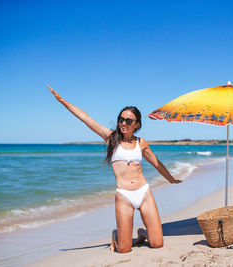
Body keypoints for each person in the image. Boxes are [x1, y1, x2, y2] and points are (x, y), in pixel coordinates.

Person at [46, 85, 182, 253]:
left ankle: (142, 233)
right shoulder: (111, 138)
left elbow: (156, 162)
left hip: (144, 192)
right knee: (124, 249)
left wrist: (170, 179)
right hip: (124, 195)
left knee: (157, 243)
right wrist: (61, 100)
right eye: (121, 119)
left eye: (128, 121)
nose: (123, 123)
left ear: (137, 124)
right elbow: (86, 118)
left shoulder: (141, 142)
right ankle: (115, 235)